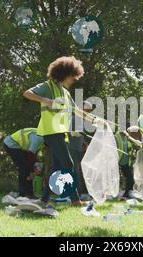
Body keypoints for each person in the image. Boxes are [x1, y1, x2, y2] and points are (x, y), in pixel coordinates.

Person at [23, 56, 105, 207]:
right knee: (69, 164)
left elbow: (77, 111)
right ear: (64, 73)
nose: (74, 79)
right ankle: (75, 200)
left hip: (60, 133)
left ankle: (43, 200)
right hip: (51, 132)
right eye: (73, 76)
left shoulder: (65, 93)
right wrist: (47, 101)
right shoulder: (47, 86)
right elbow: (27, 93)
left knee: (57, 168)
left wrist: (95, 120)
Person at [3, 128, 44, 199]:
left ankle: (29, 193)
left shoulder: (44, 139)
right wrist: (32, 170)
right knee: (24, 168)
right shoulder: (39, 139)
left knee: (27, 168)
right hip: (11, 144)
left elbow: (34, 154)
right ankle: (23, 194)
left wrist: (33, 169)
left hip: (20, 146)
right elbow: (31, 154)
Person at [68, 100, 94, 197]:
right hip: (71, 148)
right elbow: (66, 130)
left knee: (79, 170)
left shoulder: (83, 121)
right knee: (74, 170)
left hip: (78, 149)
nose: (87, 112)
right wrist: (72, 133)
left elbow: (82, 135)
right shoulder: (74, 118)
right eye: (86, 110)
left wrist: (84, 143)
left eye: (89, 111)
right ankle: (74, 194)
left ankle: (79, 193)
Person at [115, 126, 135, 200]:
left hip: (126, 161)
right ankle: (115, 193)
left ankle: (127, 193)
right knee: (116, 178)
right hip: (118, 161)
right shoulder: (116, 137)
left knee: (130, 177)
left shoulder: (127, 137)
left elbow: (130, 148)